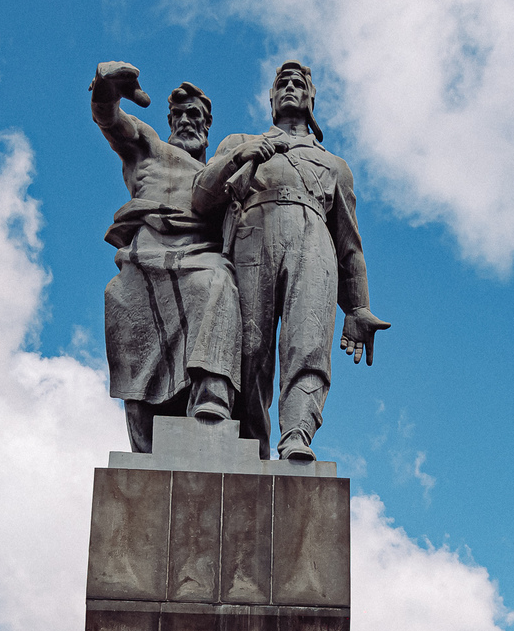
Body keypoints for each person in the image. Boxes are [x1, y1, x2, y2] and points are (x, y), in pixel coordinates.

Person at [192, 61, 390, 461]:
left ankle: (298, 434)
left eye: (299, 83)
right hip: (251, 236)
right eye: (282, 82)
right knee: (249, 347)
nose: (290, 87)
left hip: (314, 242)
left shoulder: (336, 166)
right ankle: (249, 443)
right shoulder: (240, 141)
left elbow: (350, 242)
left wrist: (358, 306)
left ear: (310, 98)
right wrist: (239, 157)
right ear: (270, 97)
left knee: (309, 342)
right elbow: (201, 198)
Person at [90, 63, 240, 452]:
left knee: (218, 281)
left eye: (196, 115)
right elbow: (110, 120)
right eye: (180, 114)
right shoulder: (149, 148)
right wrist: (106, 88)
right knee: (123, 301)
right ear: (169, 120)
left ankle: (212, 397)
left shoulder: (220, 176)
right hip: (147, 259)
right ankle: (145, 426)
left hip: (202, 259)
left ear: (208, 126)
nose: (187, 121)